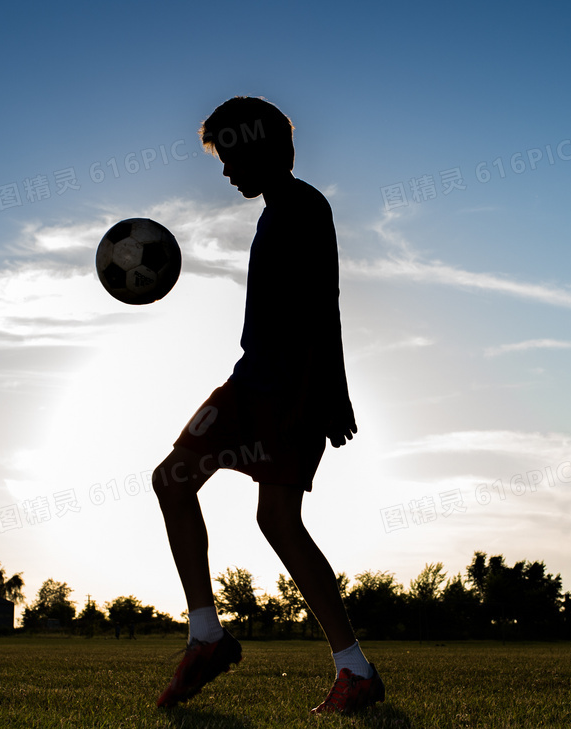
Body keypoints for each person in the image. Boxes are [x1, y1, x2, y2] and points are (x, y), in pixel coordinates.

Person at [152, 96, 385, 715]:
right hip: (247, 382)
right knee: (172, 480)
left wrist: (319, 395)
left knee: (278, 522)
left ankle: (354, 670)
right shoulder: (276, 211)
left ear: (264, 148)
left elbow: (321, 307)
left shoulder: (305, 208)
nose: (226, 172)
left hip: (287, 392)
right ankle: (206, 635)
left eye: (231, 156)